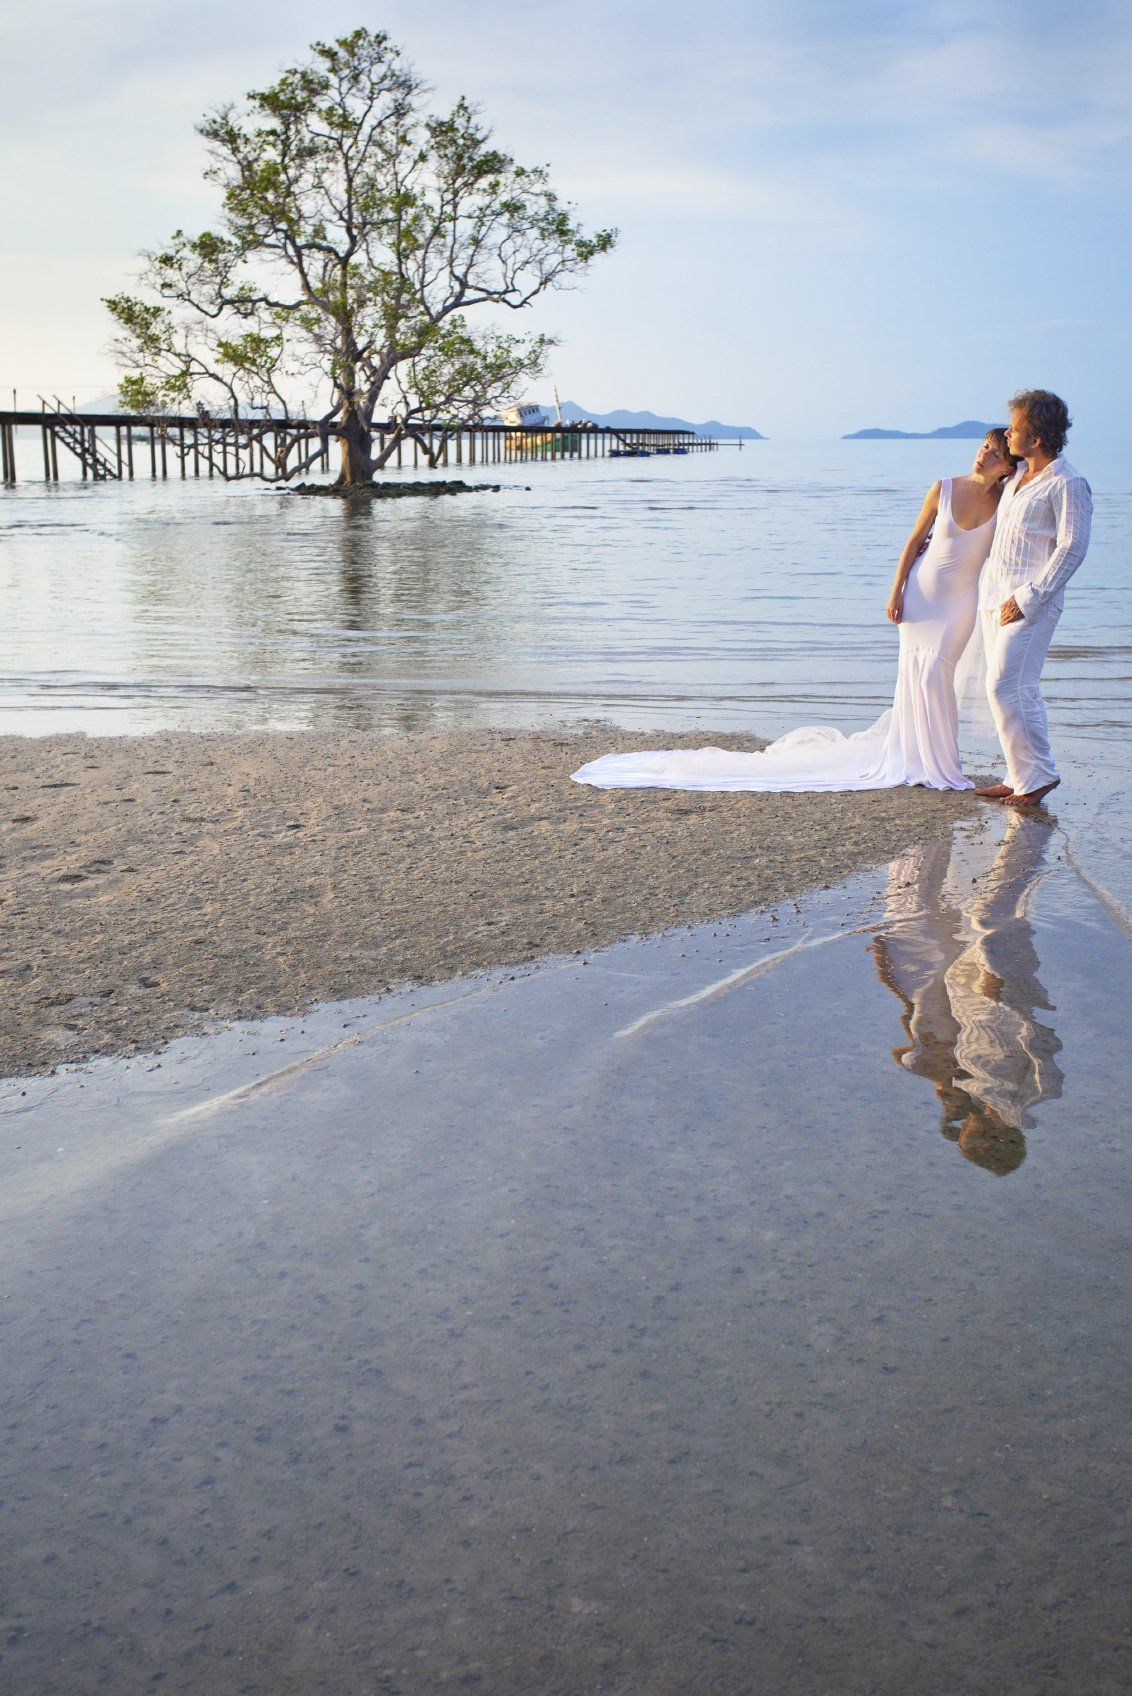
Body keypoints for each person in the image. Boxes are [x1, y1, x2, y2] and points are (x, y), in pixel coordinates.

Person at [571, 430, 1020, 793]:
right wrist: (896, 590)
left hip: (959, 605)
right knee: (914, 676)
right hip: (921, 597)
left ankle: (942, 763)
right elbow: (912, 542)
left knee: (938, 675)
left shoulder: (1005, 503)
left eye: (995, 452)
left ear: (1007, 467)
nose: (983, 454)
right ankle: (917, 760)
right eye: (983, 445)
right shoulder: (942, 488)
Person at [974, 390, 1092, 809]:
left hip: (1030, 602)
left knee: (1006, 687)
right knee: (1012, 689)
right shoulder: (1019, 474)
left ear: (1037, 438)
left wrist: (1030, 597)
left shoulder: (1068, 483)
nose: (1008, 433)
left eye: (1016, 428)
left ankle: (1039, 776)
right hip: (994, 596)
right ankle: (1019, 774)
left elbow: (1072, 548)